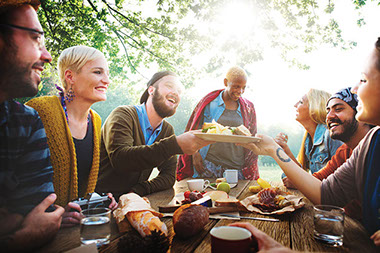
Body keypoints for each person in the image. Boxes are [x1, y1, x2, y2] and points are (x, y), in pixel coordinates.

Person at [238, 36, 380, 246]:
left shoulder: (346, 142)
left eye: (364, 80)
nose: (355, 90)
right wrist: (273, 149)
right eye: (328, 110)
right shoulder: (370, 144)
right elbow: (325, 193)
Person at [26, 45, 117, 227]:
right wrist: (54, 213)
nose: (106, 80)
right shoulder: (39, 110)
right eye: (98, 72)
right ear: (70, 77)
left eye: (107, 73)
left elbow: (83, 183)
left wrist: (97, 200)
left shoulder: (96, 120)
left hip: (77, 233)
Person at [0, 1, 64, 250]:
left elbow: (40, 208)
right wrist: (19, 240)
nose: (47, 56)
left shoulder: (25, 121)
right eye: (35, 38)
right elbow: (32, 224)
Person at [96, 71, 212, 200]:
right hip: (101, 204)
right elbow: (121, 159)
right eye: (169, 86)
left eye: (179, 91)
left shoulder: (167, 130)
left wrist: (138, 190)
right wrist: (174, 145)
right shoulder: (123, 115)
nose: (175, 93)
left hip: (133, 202)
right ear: (151, 90)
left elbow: (168, 177)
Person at [176, 66, 258, 180]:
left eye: (243, 87)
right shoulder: (209, 102)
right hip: (209, 164)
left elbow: (252, 136)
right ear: (226, 82)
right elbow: (194, 129)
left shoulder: (248, 107)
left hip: (236, 168)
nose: (240, 91)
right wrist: (194, 154)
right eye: (236, 86)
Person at [276, 88, 343, 189]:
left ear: (314, 108)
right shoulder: (308, 138)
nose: (295, 104)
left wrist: (300, 183)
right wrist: (285, 150)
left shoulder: (331, 136)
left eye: (301, 102)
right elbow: (301, 174)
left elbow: (339, 180)